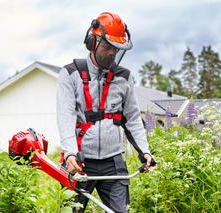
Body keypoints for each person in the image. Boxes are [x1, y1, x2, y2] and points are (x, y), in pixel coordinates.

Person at [56, 12, 155, 213]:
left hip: (113, 162)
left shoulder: (124, 77)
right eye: (107, 47)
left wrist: (144, 151)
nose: (112, 53)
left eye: (116, 49)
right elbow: (65, 117)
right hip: (79, 162)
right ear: (92, 42)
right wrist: (70, 154)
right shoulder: (70, 74)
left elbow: (133, 119)